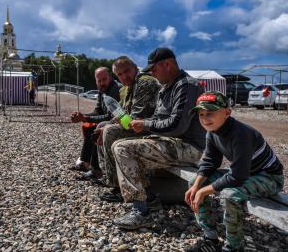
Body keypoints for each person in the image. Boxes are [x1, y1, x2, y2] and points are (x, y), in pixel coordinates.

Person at [110, 47, 206, 229]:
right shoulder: (166, 89)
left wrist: (145, 125)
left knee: (123, 149)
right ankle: (149, 198)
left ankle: (140, 211)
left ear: (167, 65)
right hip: (170, 141)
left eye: (154, 69)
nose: (152, 74)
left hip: (188, 146)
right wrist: (142, 123)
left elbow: (177, 125)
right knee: (119, 144)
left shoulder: (187, 85)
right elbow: (158, 119)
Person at [185, 91, 284, 252]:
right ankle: (210, 238)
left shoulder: (241, 134)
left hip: (269, 177)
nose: (204, 118)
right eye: (201, 114)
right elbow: (210, 162)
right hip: (246, 174)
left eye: (210, 113)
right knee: (194, 183)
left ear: (227, 113)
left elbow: (237, 176)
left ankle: (234, 246)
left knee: (230, 195)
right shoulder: (212, 132)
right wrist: (197, 185)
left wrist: (204, 191)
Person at [97, 56, 160, 201]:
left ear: (135, 68)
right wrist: (106, 124)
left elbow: (136, 118)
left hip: (149, 128)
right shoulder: (126, 88)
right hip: (137, 125)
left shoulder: (145, 82)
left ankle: (118, 187)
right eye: (119, 74)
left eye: (127, 71)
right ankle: (108, 176)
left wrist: (109, 126)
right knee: (102, 126)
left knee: (110, 131)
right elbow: (122, 114)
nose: (124, 76)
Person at [69, 67, 121, 178]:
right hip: (110, 119)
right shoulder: (102, 91)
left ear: (110, 77)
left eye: (104, 79)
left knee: (96, 129)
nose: (102, 83)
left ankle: (95, 169)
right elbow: (98, 111)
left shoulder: (115, 90)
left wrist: (85, 118)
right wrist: (83, 116)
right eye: (99, 80)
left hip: (118, 121)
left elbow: (110, 116)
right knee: (88, 126)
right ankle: (85, 162)